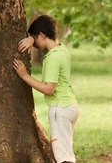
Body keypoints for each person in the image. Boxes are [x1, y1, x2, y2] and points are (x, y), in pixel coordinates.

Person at [13, 15, 79, 163]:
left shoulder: (52, 58)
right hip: (70, 106)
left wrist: (24, 76)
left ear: (42, 35)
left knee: (62, 157)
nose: (34, 45)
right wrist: (32, 38)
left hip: (59, 109)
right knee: (66, 151)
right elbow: (43, 40)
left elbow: (49, 89)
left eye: (35, 40)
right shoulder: (62, 50)